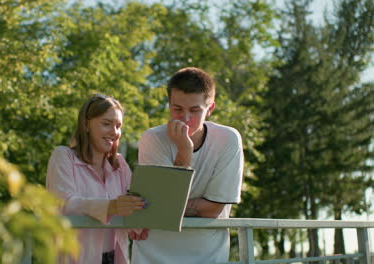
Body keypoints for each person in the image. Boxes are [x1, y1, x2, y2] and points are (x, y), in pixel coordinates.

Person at [131, 67, 244, 263]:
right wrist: (184, 152)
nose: (184, 118)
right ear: (168, 106)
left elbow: (213, 209)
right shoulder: (152, 138)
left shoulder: (228, 139)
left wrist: (168, 207)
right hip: (153, 255)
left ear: (210, 109)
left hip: (209, 256)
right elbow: (165, 208)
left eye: (194, 110)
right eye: (177, 109)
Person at [46, 94, 146, 264]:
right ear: (86, 124)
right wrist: (111, 207)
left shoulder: (120, 165)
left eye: (118, 126)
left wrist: (138, 224)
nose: (114, 132)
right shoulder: (64, 156)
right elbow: (63, 205)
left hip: (115, 258)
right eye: (106, 124)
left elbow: (131, 205)